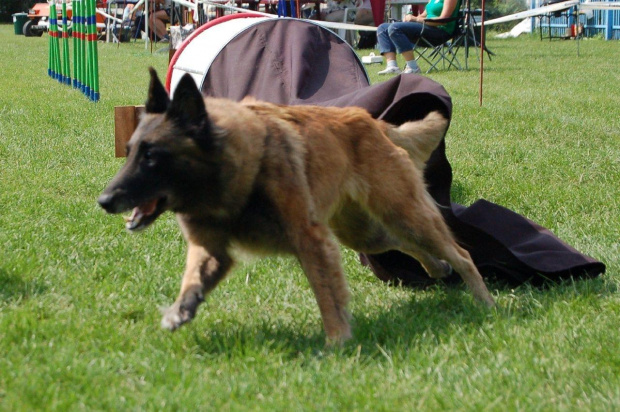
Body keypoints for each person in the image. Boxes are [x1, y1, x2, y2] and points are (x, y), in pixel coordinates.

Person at [376, 0, 459, 75]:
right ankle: (392, 66)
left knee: (395, 28)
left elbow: (443, 20)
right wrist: (410, 18)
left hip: (439, 32)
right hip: (425, 27)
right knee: (383, 28)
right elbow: (422, 16)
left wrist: (415, 19)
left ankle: (413, 67)